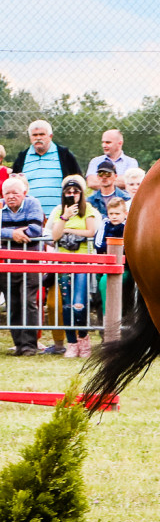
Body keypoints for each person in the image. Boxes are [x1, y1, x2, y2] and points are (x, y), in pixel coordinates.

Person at [46, 175, 99, 359]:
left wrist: (69, 230)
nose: (72, 194)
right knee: (66, 306)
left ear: (81, 193)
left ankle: (83, 338)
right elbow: (54, 235)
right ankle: (72, 343)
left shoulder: (88, 209)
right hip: (64, 263)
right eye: (68, 192)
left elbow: (90, 231)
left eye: (75, 191)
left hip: (82, 263)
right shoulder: (59, 211)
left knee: (79, 305)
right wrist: (64, 217)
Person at [1, 178, 45, 356]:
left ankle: (29, 345)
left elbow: (36, 230)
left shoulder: (33, 203)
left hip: (29, 262)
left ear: (24, 193)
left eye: (15, 193)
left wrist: (9, 234)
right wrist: (12, 233)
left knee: (28, 302)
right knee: (13, 303)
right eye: (7, 193)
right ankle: (18, 344)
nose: (11, 197)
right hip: (7, 264)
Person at [11, 120, 82, 217]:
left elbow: (78, 182)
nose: (38, 138)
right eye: (34, 135)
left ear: (50, 136)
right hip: (29, 217)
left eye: (42, 134)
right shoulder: (22, 158)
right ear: (30, 137)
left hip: (61, 216)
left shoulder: (64, 155)